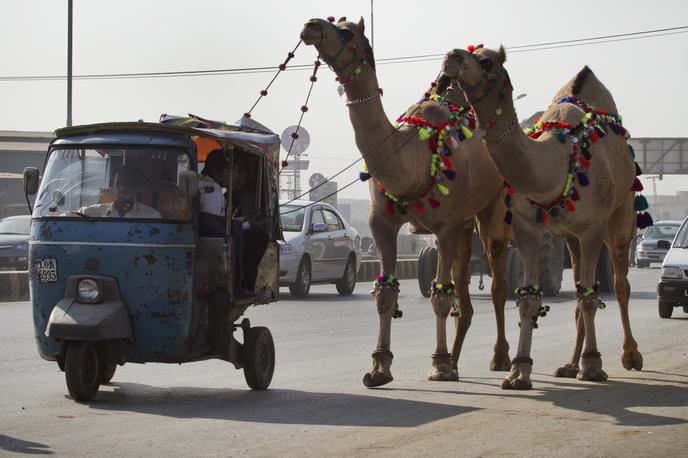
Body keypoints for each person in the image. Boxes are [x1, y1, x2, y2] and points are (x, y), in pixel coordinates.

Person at [80, 166, 161, 218]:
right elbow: (72, 216)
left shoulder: (151, 215)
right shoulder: (97, 211)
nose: (122, 188)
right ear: (113, 187)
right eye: (118, 183)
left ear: (136, 187)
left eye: (128, 184)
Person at [198, 149, 230, 237]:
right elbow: (213, 228)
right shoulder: (213, 193)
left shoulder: (197, 182)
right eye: (228, 171)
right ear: (216, 171)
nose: (234, 175)